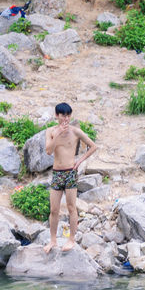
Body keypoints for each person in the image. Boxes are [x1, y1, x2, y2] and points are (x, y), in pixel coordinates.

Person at [44, 102, 97, 253]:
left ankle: (71, 239)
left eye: (68, 115)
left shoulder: (76, 131)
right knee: (54, 209)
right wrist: (59, 133)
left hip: (70, 172)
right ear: (57, 116)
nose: (66, 119)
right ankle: (53, 240)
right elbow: (48, 150)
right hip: (57, 173)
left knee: (71, 207)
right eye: (63, 116)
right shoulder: (50, 131)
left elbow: (93, 146)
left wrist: (79, 161)